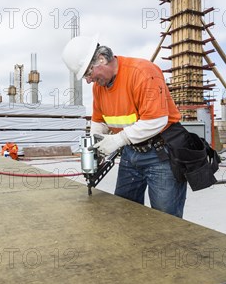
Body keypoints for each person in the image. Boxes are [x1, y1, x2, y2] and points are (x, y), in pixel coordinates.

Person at [62, 35, 187, 218]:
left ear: (101, 60)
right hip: (130, 153)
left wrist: (117, 140)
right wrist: (96, 150)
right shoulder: (99, 87)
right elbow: (99, 121)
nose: (88, 80)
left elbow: (156, 120)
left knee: (165, 220)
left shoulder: (143, 72)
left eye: (88, 74)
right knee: (124, 211)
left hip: (161, 155)